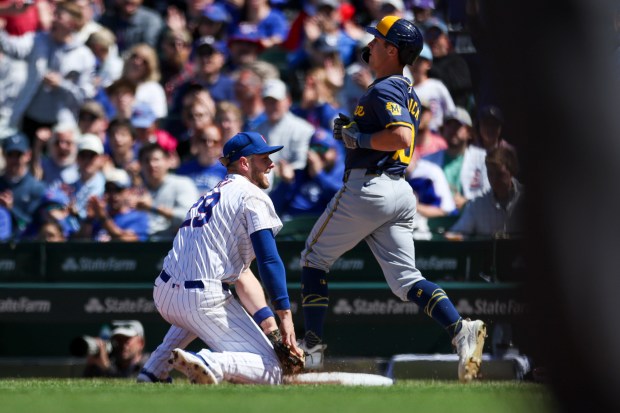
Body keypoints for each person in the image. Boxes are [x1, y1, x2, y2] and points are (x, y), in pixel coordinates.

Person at [298, 16, 486, 382]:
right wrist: (354, 130)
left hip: (370, 189)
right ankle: (460, 328)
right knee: (405, 281)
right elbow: (392, 132)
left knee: (313, 257)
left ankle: (313, 348)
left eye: (377, 39)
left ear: (392, 49)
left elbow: (399, 137)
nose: (370, 45)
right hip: (398, 191)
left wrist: (360, 139)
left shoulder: (385, 89)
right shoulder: (405, 91)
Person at [138, 131, 303, 385]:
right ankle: (211, 362)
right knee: (273, 370)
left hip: (164, 292)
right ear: (245, 163)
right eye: (264, 158)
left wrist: (268, 324)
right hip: (200, 297)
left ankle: (154, 370)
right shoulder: (252, 195)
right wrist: (285, 317)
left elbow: (243, 274)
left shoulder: (211, 194)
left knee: (193, 315)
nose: (271, 164)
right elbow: (269, 261)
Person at [0, 1, 96, 141]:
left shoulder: (84, 56)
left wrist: (61, 84)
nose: (53, 20)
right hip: (28, 119)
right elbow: (14, 49)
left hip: (61, 126)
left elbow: (85, 96)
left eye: (59, 16)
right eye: (53, 14)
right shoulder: (39, 40)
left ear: (72, 24)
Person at [445, 146, 524, 239]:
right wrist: (450, 238)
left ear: (511, 172)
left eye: (500, 174)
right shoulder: (477, 205)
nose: (494, 180)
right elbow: (457, 233)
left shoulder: (527, 199)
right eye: (490, 173)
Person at [424, 107, 489, 210]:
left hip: (470, 221)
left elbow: (490, 192)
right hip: (433, 222)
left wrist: (467, 200)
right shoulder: (427, 160)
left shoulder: (483, 159)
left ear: (469, 133)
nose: (452, 130)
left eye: (458, 126)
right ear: (442, 130)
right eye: (449, 125)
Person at [134, 143, 198, 240]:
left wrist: (152, 207)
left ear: (168, 161)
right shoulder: (137, 190)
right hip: (141, 246)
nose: (151, 164)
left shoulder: (182, 184)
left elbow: (190, 217)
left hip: (174, 246)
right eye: (146, 161)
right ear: (140, 165)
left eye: (156, 160)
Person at [75, 168, 149, 241]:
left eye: (118, 190)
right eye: (109, 189)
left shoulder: (138, 217)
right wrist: (89, 219)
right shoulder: (98, 217)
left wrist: (103, 218)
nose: (113, 195)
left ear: (128, 192)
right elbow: (79, 242)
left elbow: (127, 241)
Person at [0, 131, 46, 236]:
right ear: (4, 155)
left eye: (18, 155)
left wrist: (11, 210)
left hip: (25, 248)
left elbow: (32, 225)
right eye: (10, 154)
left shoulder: (36, 187)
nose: (14, 160)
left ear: (28, 155)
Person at [83, 320, 148, 378]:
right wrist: (93, 365)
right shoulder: (113, 362)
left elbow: (130, 384)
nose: (122, 345)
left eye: (126, 340)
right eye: (118, 340)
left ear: (141, 343)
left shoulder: (150, 365)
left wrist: (106, 367)